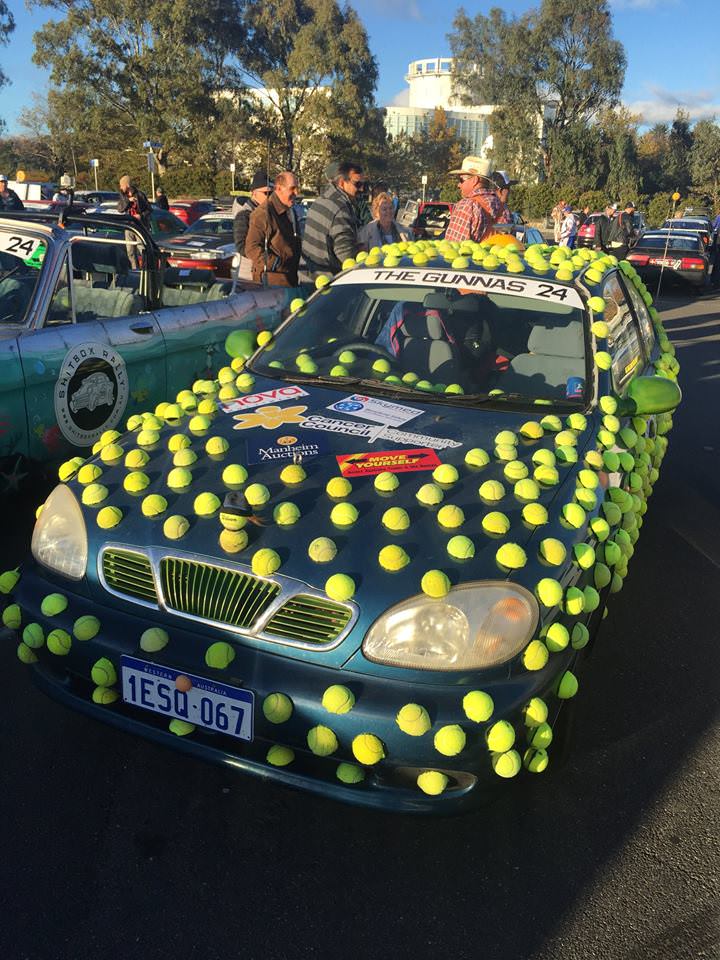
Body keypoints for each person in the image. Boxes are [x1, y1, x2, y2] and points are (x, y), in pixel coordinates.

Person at [302, 160, 364, 275]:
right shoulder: (340, 209)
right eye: (357, 184)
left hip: (308, 274)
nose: (362, 189)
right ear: (341, 182)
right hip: (326, 281)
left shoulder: (321, 199)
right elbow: (345, 254)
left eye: (364, 184)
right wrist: (362, 253)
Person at [245, 171, 301, 287]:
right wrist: (276, 263)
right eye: (292, 188)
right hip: (272, 281)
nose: (296, 193)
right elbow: (251, 248)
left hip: (289, 277)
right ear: (279, 189)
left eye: (297, 188)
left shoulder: (288, 211)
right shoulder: (263, 214)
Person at [444, 156, 502, 244]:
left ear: (475, 180)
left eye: (461, 180)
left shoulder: (466, 205)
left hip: (476, 257)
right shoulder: (501, 205)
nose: (459, 185)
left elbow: (452, 246)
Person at [233, 171, 273, 282]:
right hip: (248, 276)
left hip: (266, 273)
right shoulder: (244, 215)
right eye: (266, 193)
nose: (270, 197)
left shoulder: (269, 213)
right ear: (254, 193)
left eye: (272, 193)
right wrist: (267, 259)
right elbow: (241, 246)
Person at [117, 175, 151, 268]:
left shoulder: (140, 195)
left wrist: (141, 216)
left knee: (142, 249)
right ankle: (134, 270)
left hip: (140, 226)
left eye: (121, 185)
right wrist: (128, 201)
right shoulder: (123, 196)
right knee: (130, 251)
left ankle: (145, 269)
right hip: (128, 226)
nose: (120, 188)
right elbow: (120, 209)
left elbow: (149, 209)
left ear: (127, 185)